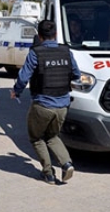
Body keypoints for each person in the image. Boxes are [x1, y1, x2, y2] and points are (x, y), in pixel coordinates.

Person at [10, 20, 82, 185]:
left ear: (39, 36)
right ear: (55, 34)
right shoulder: (66, 51)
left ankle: (48, 173)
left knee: (36, 138)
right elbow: (76, 74)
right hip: (63, 105)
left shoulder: (36, 52)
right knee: (52, 136)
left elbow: (23, 77)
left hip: (43, 105)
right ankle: (67, 163)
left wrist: (16, 91)